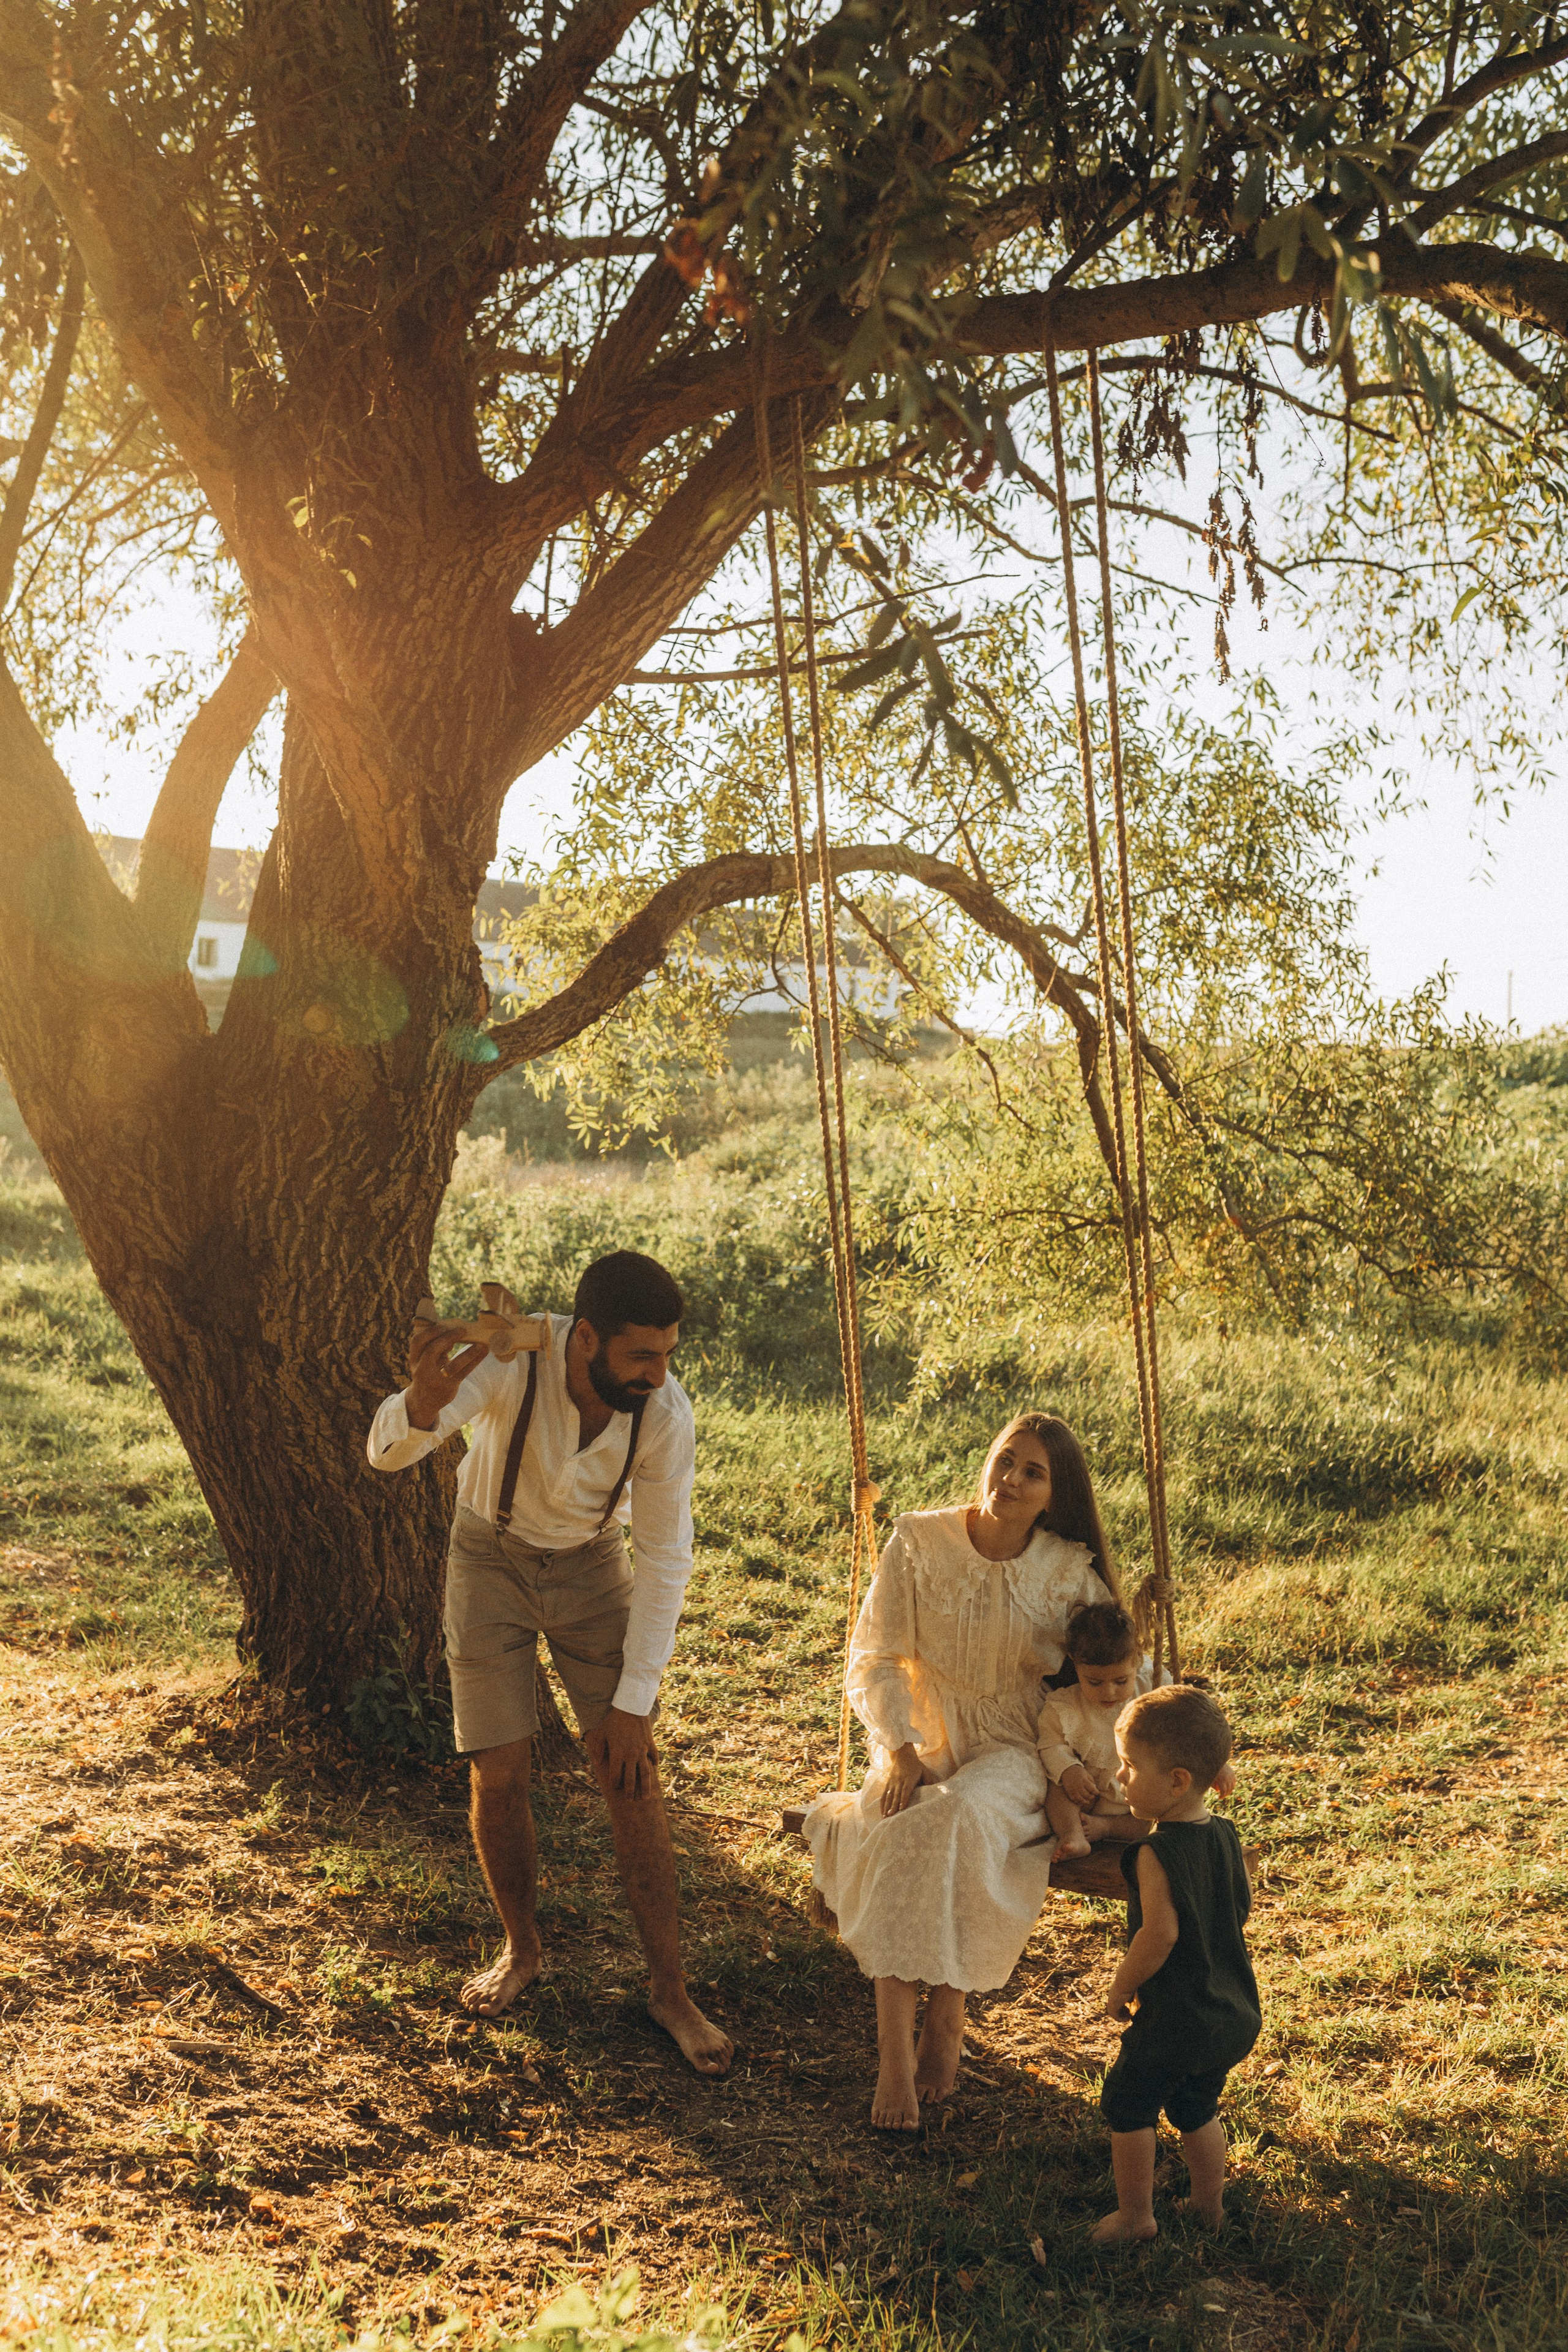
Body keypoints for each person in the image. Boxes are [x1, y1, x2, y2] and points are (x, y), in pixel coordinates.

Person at [366, 1248, 731, 2077]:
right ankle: (522, 1950)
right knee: (500, 1771)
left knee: (631, 1773)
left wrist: (635, 1704)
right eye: (642, 1354)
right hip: (488, 1558)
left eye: (668, 1354)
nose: (658, 1372)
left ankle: (669, 1989)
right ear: (587, 1339)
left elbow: (668, 1558)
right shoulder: (512, 1363)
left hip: (594, 1567)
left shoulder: (664, 1413)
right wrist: (419, 1404)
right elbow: (389, 1455)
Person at [803, 1414, 1120, 2132]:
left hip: (1016, 1747)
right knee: (898, 1825)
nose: (1009, 1479)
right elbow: (875, 1655)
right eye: (1004, 1460)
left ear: (1053, 1494)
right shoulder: (919, 1539)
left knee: (948, 1818)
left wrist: (1173, 1730)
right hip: (921, 1737)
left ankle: (945, 2015)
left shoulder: (1067, 1569)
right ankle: (893, 2056)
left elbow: (1122, 1663)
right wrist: (899, 1749)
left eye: (1031, 1473)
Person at [1093, 1684, 1261, 2245]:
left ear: (1178, 1781)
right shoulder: (1227, 1837)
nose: (1121, 1779)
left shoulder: (1153, 1852)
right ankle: (1208, 2208)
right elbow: (1239, 1905)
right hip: (1232, 2011)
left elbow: (1158, 1935)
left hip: (1177, 2018)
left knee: (1130, 2104)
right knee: (1196, 2106)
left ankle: (1136, 2217)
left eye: (1129, 1766)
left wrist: (1121, 1987)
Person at [1038, 1600, 1167, 1860]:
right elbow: (1051, 1744)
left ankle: (1107, 1828)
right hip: (1086, 1794)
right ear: (1075, 1665)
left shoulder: (1152, 1686)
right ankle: (1073, 1833)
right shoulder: (1064, 1705)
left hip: (1133, 1797)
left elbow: (1186, 1721)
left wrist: (1216, 1765)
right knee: (1054, 1788)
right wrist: (1069, 1770)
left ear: (1137, 1661)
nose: (1109, 1692)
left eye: (1121, 1681)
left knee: (1150, 1820)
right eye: (1094, 1682)